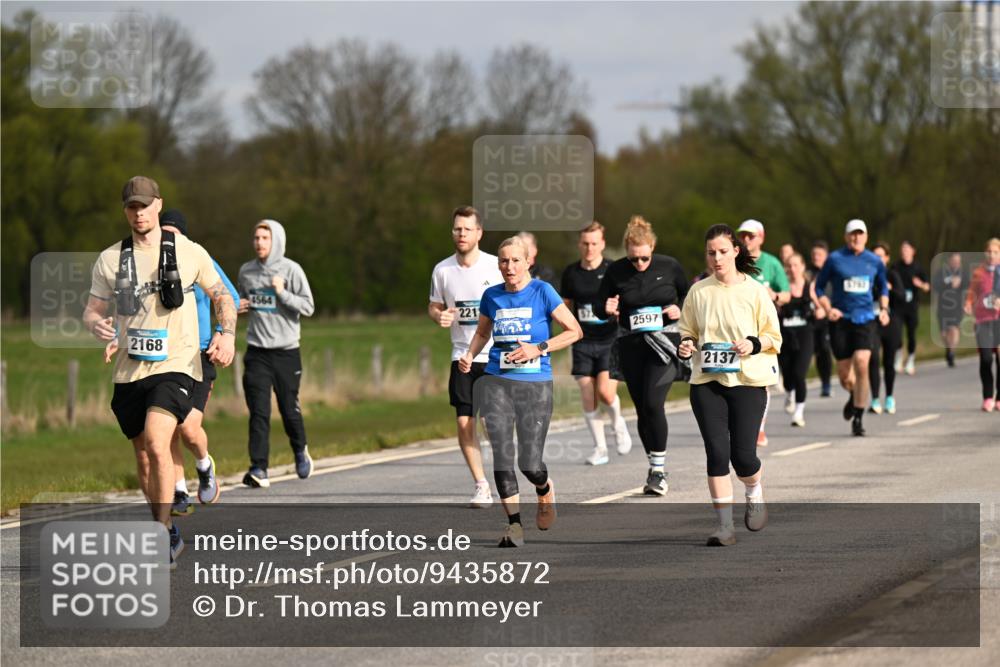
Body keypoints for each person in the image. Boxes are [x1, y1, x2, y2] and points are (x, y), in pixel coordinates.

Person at [84, 176, 236, 567]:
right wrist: (97, 325)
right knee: (145, 456)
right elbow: (93, 309)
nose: (139, 213)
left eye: (145, 205)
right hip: (129, 370)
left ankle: (161, 530)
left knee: (157, 441)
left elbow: (222, 296)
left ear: (158, 205)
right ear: (125, 211)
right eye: (132, 207)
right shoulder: (110, 259)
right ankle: (165, 527)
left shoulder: (188, 251)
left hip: (177, 364)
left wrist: (226, 334)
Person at [458, 236, 582, 547]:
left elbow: (574, 331)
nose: (509, 267)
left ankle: (544, 488)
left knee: (530, 463)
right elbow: (482, 332)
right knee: (502, 454)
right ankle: (514, 525)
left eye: (515, 260)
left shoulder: (543, 291)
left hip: (535, 385)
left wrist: (538, 348)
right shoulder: (492, 295)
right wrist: (470, 354)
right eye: (504, 261)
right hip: (496, 381)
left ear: (528, 262)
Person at [678, 224, 782, 547]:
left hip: (748, 381)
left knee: (744, 458)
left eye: (723, 251)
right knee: (716, 452)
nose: (717, 258)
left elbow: (774, 336)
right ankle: (724, 526)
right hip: (707, 382)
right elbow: (687, 330)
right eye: (711, 253)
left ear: (736, 251)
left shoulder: (755, 291)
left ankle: (754, 490)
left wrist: (753, 343)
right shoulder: (699, 291)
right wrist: (686, 344)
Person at [147, 210, 238, 514]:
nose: (168, 240)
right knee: (168, 427)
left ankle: (203, 464)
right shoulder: (152, 263)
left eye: (174, 234)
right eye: (164, 233)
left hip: (199, 354)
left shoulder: (198, 257)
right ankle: (178, 490)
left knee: (188, 428)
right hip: (165, 356)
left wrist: (221, 333)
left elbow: (229, 297)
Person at [595, 216, 689, 495]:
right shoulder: (616, 271)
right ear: (627, 252)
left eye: (644, 258)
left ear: (652, 248)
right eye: (633, 259)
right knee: (642, 409)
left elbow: (689, 296)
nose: (639, 264)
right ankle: (654, 466)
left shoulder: (669, 266)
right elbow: (600, 306)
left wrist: (679, 309)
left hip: (664, 343)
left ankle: (659, 471)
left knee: (653, 402)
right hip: (631, 344)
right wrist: (606, 308)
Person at [429, 206, 503, 507]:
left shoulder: (495, 266)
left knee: (490, 422)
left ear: (479, 233)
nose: (461, 234)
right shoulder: (442, 270)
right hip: (462, 355)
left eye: (467, 229)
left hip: (494, 354)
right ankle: (481, 485)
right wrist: (439, 316)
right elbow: (434, 305)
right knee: (464, 422)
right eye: (457, 229)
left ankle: (505, 470)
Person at [237, 219, 315, 488]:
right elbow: (242, 299)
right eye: (256, 238)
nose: (259, 243)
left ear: (276, 241)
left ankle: (300, 450)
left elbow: (308, 307)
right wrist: (239, 306)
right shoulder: (246, 271)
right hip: (257, 351)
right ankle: (259, 468)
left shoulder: (291, 270)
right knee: (259, 411)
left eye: (265, 238)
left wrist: (282, 292)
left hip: (286, 352)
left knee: (288, 408)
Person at [560, 222, 631, 466]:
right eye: (585, 243)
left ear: (602, 244)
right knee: (588, 395)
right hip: (582, 341)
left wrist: (621, 311)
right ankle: (600, 448)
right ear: (580, 245)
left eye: (594, 243)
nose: (589, 248)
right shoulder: (571, 273)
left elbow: (627, 298)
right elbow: (565, 306)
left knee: (605, 392)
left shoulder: (613, 270)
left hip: (610, 339)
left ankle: (618, 423)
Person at [814, 220, 890, 436]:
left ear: (866, 237)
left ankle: (858, 417)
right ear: (846, 236)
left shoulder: (874, 261)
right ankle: (854, 394)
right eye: (852, 234)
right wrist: (828, 308)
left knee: (862, 362)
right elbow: (819, 288)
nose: (856, 237)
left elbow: (883, 287)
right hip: (840, 320)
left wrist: (884, 309)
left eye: (860, 234)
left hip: (865, 319)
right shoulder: (835, 259)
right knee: (845, 376)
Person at [735, 220, 789, 447]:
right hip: (738, 327)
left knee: (761, 381)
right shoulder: (734, 260)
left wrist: (773, 295)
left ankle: (759, 428)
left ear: (761, 238)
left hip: (762, 329)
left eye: (751, 236)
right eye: (743, 236)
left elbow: (786, 294)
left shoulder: (772, 263)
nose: (746, 239)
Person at [867, 242, 905, 415]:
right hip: (872, 321)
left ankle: (889, 397)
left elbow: (902, 296)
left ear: (887, 258)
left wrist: (889, 290)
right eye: (874, 256)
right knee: (873, 358)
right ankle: (875, 399)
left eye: (881, 256)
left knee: (888, 362)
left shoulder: (892, 274)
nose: (878, 259)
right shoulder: (867, 275)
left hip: (891, 322)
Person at [777, 253, 814, 426]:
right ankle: (789, 392)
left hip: (805, 335)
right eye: (789, 266)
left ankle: (799, 413)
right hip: (785, 336)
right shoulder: (782, 288)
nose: (792, 269)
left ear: (803, 266)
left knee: (800, 374)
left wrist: (822, 310)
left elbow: (821, 303)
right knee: (788, 375)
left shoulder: (810, 286)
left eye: (796, 265)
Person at [964, 238, 1000, 411]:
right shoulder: (979, 272)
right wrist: (968, 303)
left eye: (995, 252)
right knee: (986, 358)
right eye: (989, 252)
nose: (992, 255)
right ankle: (987, 397)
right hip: (983, 320)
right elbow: (972, 292)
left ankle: (999, 397)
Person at [891, 240, 930, 375]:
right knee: (897, 333)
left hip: (912, 306)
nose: (904, 252)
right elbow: (888, 281)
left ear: (913, 251)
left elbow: (927, 287)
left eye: (907, 249)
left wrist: (920, 284)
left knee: (911, 334)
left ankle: (911, 360)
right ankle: (898, 358)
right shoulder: (895, 267)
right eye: (902, 249)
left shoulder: (918, 268)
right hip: (897, 306)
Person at [809, 240, 834, 396]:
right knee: (814, 351)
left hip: (827, 319)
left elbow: (835, 295)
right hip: (810, 318)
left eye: (819, 254)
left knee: (824, 349)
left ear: (826, 256)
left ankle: (826, 383)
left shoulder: (831, 273)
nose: (816, 257)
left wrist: (825, 310)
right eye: (814, 254)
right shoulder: (807, 273)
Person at [934, 252, 967, 368]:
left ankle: (952, 352)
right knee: (944, 333)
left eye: (958, 261)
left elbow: (969, 285)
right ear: (949, 261)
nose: (956, 263)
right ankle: (948, 348)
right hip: (943, 307)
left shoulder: (963, 273)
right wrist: (948, 282)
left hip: (957, 306)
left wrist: (960, 282)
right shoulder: (941, 272)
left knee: (954, 329)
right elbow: (935, 286)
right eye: (954, 261)